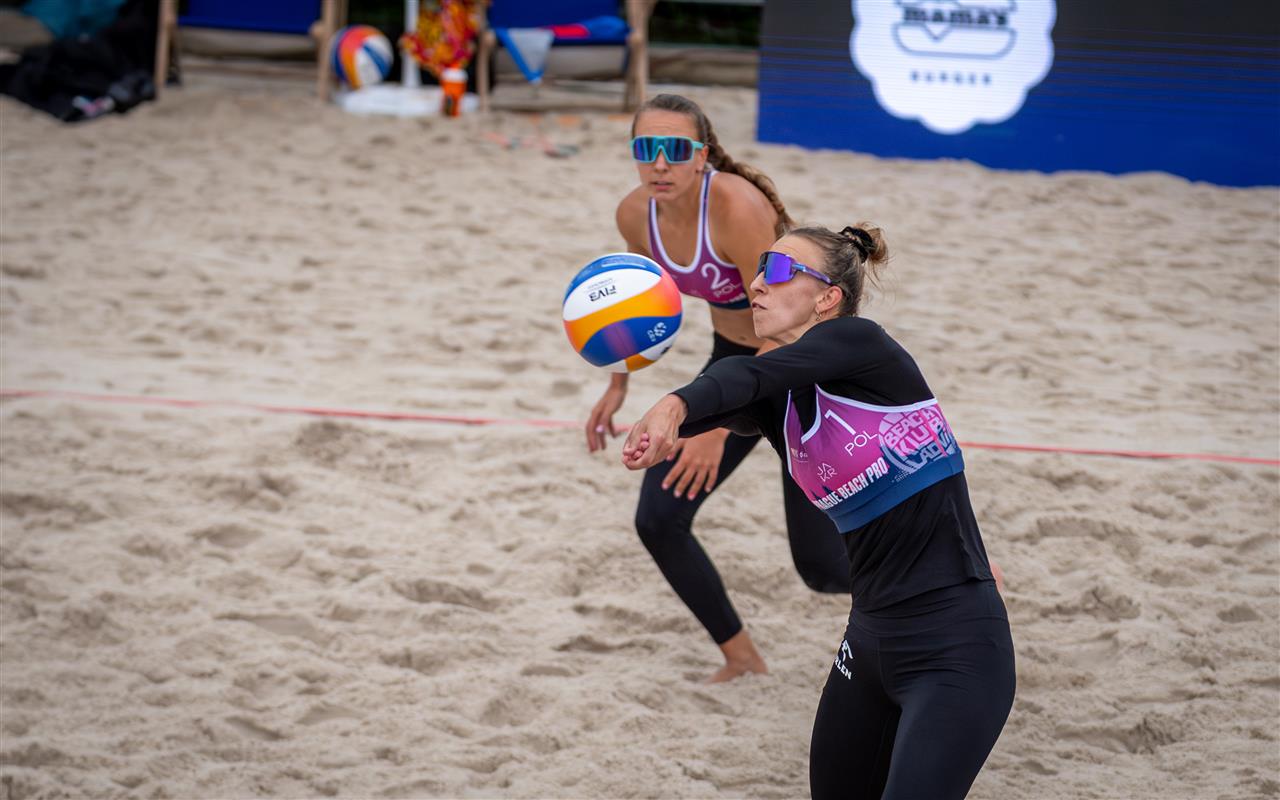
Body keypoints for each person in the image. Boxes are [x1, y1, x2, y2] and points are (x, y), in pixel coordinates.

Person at [621, 224, 1015, 799]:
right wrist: (664, 422)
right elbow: (734, 387)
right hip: (869, 638)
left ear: (828, 297)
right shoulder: (775, 399)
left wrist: (675, 402)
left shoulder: (864, 346)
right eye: (759, 268)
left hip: (956, 643)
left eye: (778, 271)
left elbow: (748, 373)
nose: (757, 284)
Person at [587, 93, 851, 683]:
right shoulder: (635, 215)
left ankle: (955, 574)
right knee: (658, 518)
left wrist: (717, 425)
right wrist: (617, 386)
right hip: (737, 359)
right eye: (645, 149)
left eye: (675, 150)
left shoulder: (735, 208)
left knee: (822, 569)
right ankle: (742, 657)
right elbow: (632, 307)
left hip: (801, 364)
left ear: (702, 156)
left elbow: (785, 329)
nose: (660, 163)